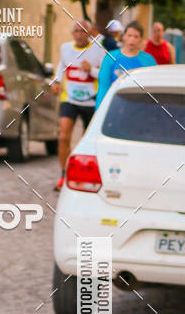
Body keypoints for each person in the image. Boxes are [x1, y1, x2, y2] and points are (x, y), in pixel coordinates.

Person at [50, 20, 105, 190]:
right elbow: (62, 64)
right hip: (70, 99)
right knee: (64, 135)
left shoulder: (98, 50)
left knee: (87, 139)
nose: (79, 34)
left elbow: (105, 74)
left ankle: (82, 173)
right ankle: (63, 174)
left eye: (83, 31)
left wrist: (92, 71)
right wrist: (57, 81)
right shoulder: (66, 48)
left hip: (91, 100)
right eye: (76, 31)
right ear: (72, 33)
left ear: (89, 33)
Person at [96, 21, 157, 108]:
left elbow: (153, 87)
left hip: (140, 106)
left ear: (141, 39)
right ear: (123, 36)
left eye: (136, 36)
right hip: (115, 105)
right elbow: (103, 86)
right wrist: (100, 109)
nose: (132, 39)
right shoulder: (110, 57)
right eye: (129, 35)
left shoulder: (148, 60)